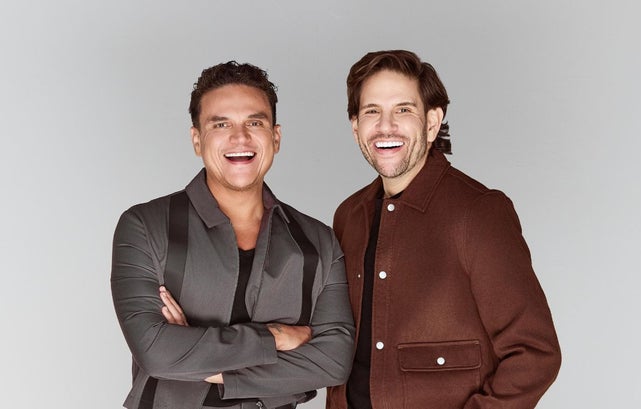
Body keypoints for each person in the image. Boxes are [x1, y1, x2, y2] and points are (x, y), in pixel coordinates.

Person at [111, 61, 355, 409]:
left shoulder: (320, 242)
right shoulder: (144, 226)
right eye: (221, 124)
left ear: (276, 137)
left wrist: (200, 359)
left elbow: (333, 361)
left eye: (254, 123)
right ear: (197, 140)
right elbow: (155, 352)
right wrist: (276, 337)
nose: (240, 137)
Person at [325, 50, 561, 409]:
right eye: (372, 111)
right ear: (356, 126)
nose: (386, 126)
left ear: (432, 122)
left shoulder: (478, 212)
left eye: (403, 110)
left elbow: (535, 352)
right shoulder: (348, 216)